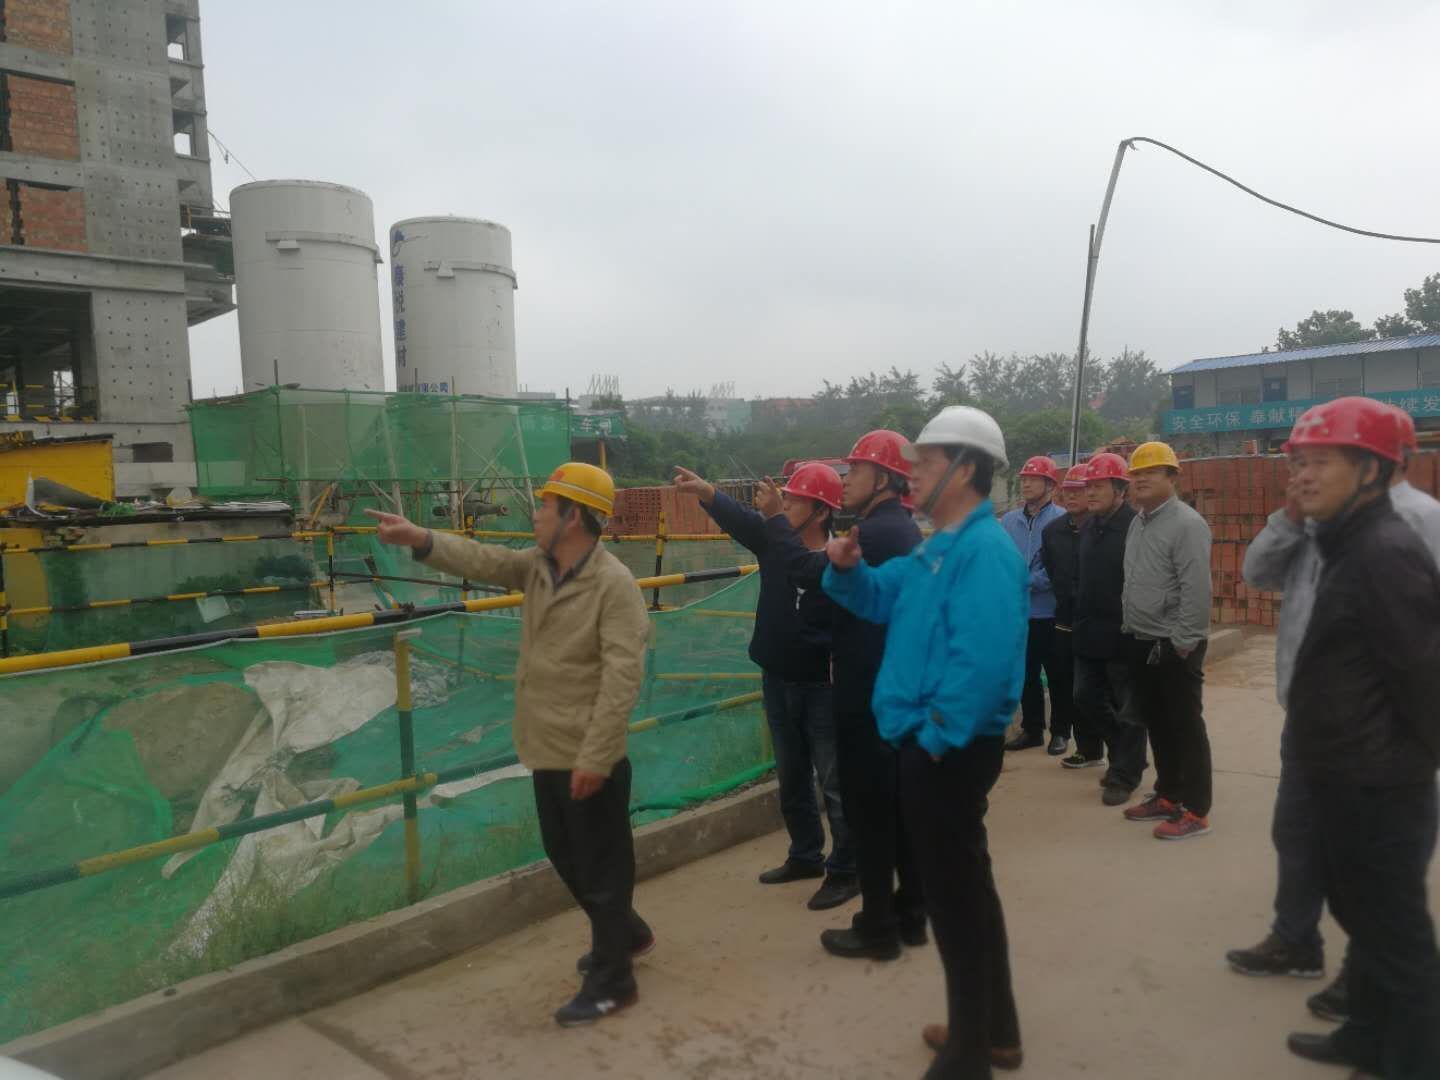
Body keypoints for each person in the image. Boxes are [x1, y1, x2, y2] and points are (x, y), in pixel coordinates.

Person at [364, 463, 653, 1027]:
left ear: (574, 517)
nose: (536, 514)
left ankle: (613, 980)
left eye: (545, 505)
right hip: (547, 743)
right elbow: (484, 560)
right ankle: (627, 934)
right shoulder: (541, 567)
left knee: (601, 866)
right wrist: (420, 538)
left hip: (588, 752)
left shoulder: (613, 585)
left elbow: (623, 678)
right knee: (564, 853)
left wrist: (597, 757)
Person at [822, 405, 1026, 1078]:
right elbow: (881, 599)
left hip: (947, 749)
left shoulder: (983, 551)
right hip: (935, 743)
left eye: (927, 461)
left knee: (955, 903)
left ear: (965, 469)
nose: (912, 472)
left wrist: (936, 738)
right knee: (968, 891)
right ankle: (993, 1030)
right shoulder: (937, 548)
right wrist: (847, 570)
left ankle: (969, 1054)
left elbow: (983, 663)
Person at [1226, 403, 1440, 1023]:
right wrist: (1290, 521)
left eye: (1319, 461)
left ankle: (1367, 977)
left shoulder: (1418, 523)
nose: (1303, 475)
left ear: (1377, 463)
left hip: (1381, 733)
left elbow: (1420, 654)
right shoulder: (1320, 518)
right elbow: (1257, 572)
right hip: (1314, 715)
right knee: (1297, 833)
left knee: (1381, 867)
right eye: (1299, 463)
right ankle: (1295, 938)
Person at [670, 461, 858, 911]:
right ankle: (805, 855)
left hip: (822, 686)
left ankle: (847, 870)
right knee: (792, 777)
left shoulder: (839, 556)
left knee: (835, 783)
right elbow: (743, 520)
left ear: (821, 511)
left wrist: (774, 520)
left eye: (794, 500)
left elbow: (805, 566)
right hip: (777, 679)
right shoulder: (775, 540)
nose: (784, 505)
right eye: (784, 499)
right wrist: (707, 492)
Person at [768, 430, 926, 961]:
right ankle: (908, 914)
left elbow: (810, 574)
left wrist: (774, 523)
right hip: (888, 685)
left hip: (868, 691)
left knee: (870, 812)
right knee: (893, 810)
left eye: (856, 470)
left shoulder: (876, 535)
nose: (846, 479)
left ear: (883, 478)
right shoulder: (900, 528)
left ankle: (878, 926)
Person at [1119, 441, 1215, 840]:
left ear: (1172, 477)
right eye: (1136, 474)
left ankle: (1196, 810)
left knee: (1185, 726)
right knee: (1158, 723)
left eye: (1151, 472)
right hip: (1143, 638)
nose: (1140, 480)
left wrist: (1184, 641)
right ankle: (1168, 793)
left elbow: (1196, 587)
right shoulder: (1138, 522)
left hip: (1175, 642)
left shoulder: (1187, 524)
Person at [1072, 452, 1146, 805]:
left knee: (1129, 709)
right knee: (1084, 696)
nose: (1091, 492)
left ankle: (1124, 775)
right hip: (1088, 631)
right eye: (1089, 486)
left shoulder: (1135, 527)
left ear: (1120, 489)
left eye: (1099, 486)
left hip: (1123, 633)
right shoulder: (1089, 527)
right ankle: (1124, 755)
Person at [1001, 456, 1069, 755]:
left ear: (1050, 485)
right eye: (1024, 479)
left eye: (1033, 479)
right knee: (1026, 674)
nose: (1026, 483)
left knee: (1057, 674)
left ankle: (1060, 732)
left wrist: (1028, 581)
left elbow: (1062, 567)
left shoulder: (1062, 520)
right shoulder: (1009, 521)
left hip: (1050, 612)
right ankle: (1032, 729)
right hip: (1019, 613)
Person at [1040, 465, 1093, 770]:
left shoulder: (1102, 528)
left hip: (1099, 618)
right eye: (1068, 491)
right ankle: (1061, 732)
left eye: (1078, 490)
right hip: (1063, 615)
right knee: (1061, 677)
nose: (1071, 496)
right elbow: (1051, 569)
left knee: (1094, 685)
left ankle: (1097, 744)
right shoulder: (1052, 532)